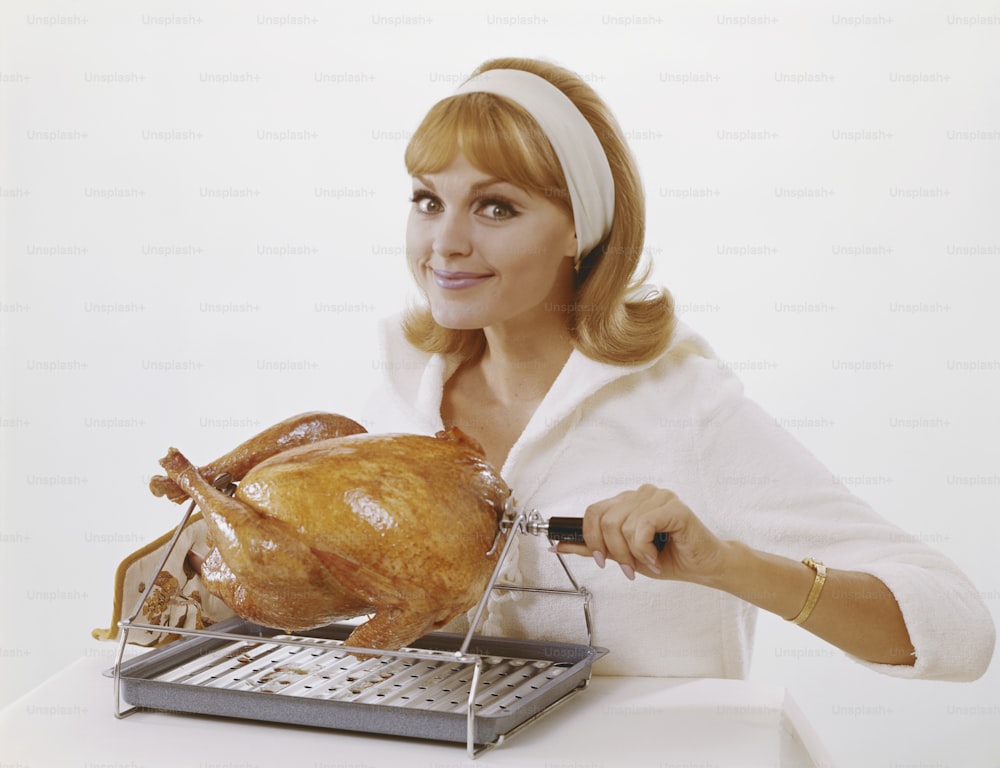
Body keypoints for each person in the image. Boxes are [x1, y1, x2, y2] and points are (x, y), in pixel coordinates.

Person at [364, 56, 995, 680]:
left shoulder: (685, 411)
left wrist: (724, 564)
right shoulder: (400, 396)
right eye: (426, 200)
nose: (444, 242)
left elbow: (961, 632)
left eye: (495, 207)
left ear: (579, 230)